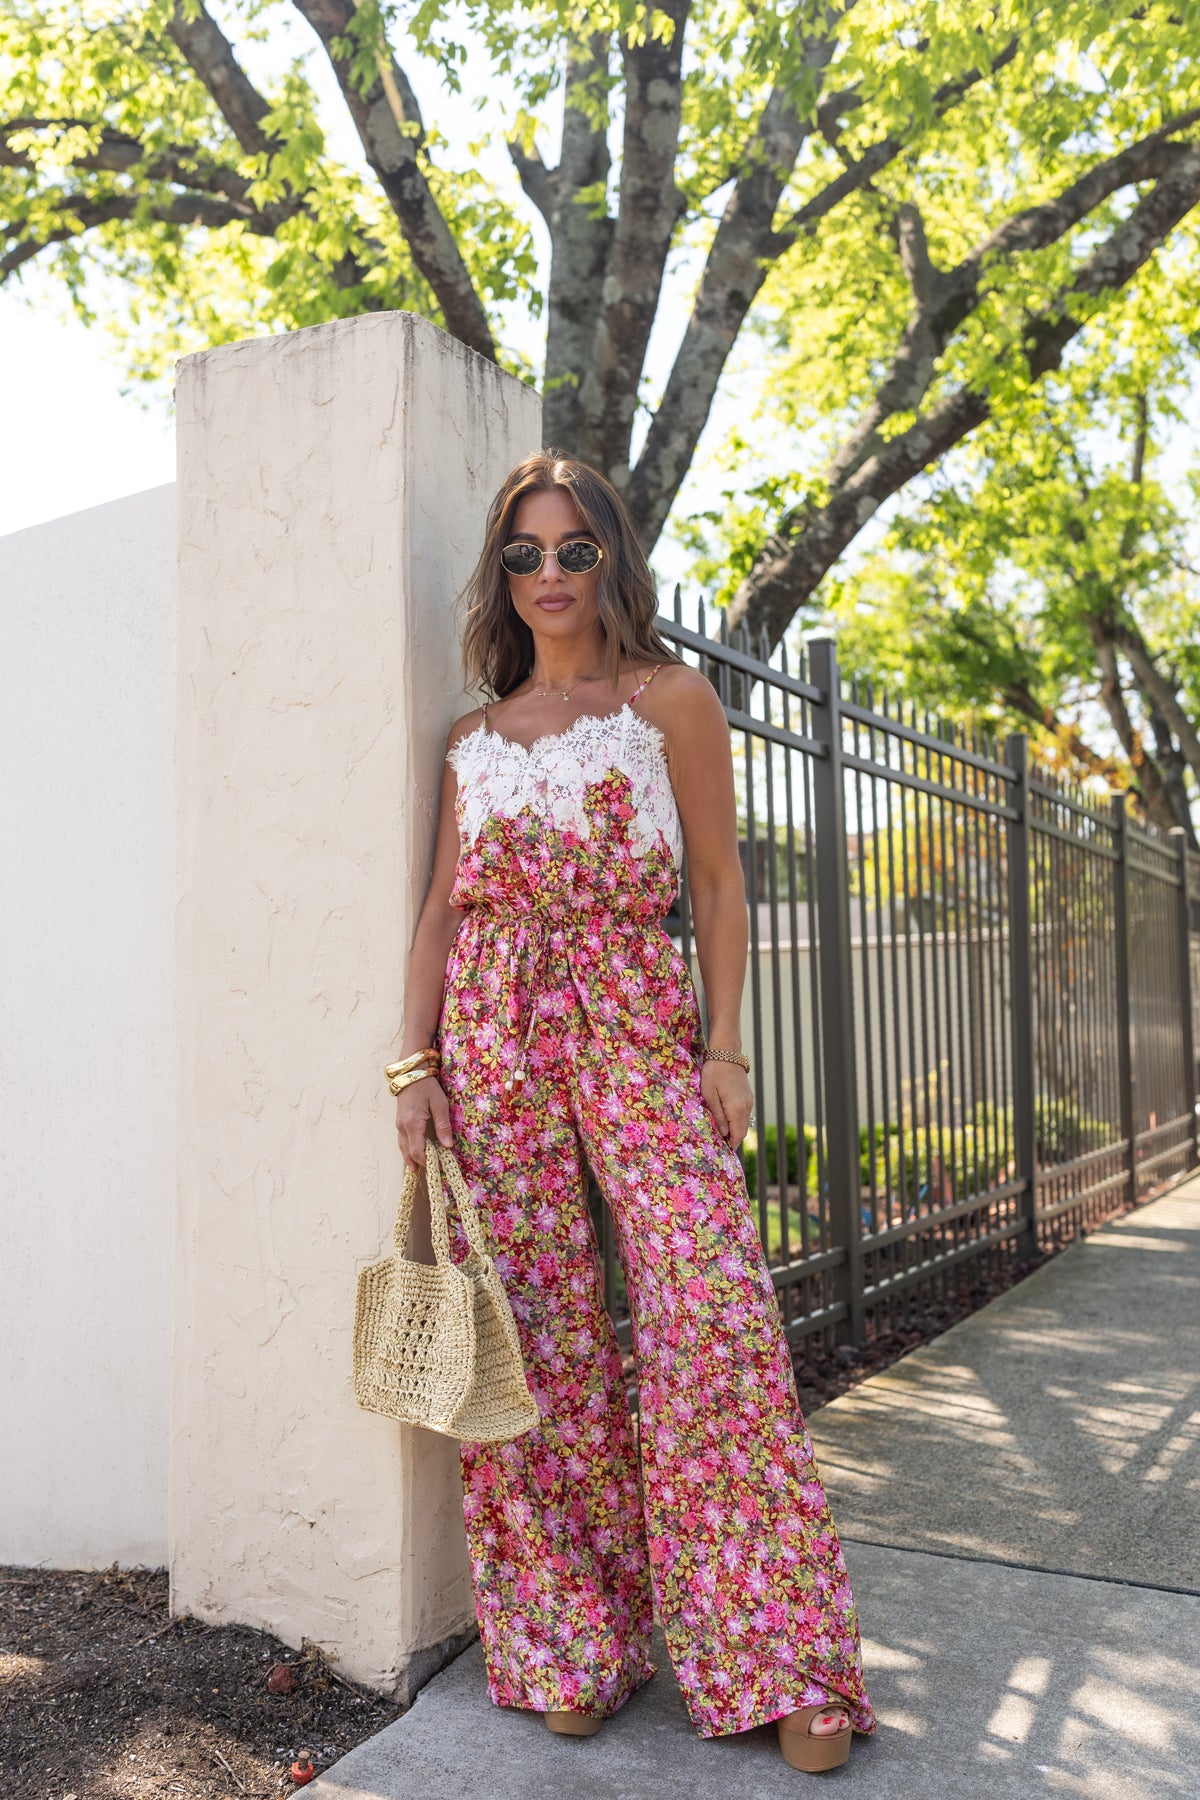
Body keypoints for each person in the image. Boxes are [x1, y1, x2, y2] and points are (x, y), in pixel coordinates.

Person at [390, 449, 877, 1773]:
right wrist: (412, 1065)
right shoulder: (470, 741)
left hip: (638, 1022)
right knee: (538, 1337)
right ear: (504, 576)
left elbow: (719, 886)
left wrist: (727, 1050)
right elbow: (444, 912)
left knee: (711, 1310)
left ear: (613, 559)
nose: (549, 575)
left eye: (574, 550)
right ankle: (572, 1641)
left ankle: (779, 1657)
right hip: (491, 1041)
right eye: (525, 555)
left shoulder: (671, 704)